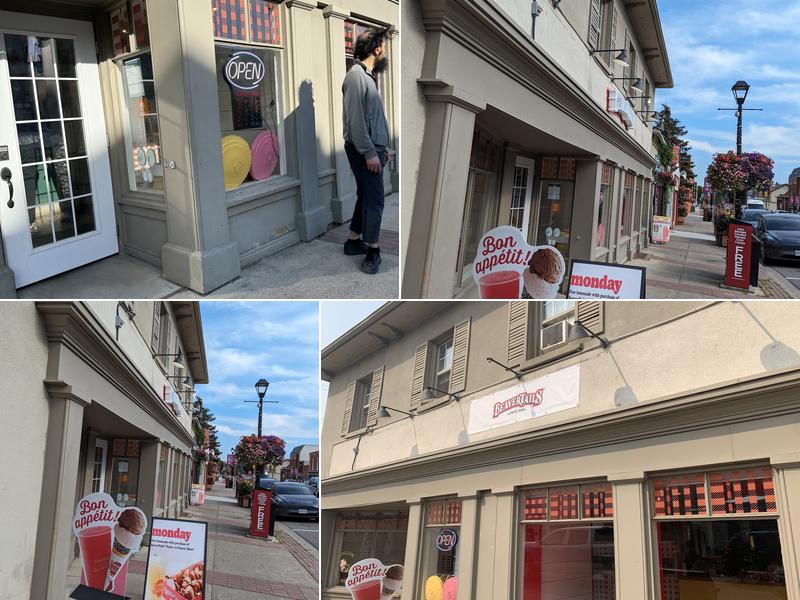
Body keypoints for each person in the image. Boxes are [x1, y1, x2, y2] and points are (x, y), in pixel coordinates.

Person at [342, 26, 392, 274]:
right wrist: (370, 152)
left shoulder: (365, 77)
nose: (385, 53)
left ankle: (353, 241)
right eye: (384, 47)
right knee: (375, 200)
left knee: (365, 195)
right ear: (377, 48)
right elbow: (356, 121)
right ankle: (373, 250)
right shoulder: (356, 77)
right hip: (364, 150)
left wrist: (382, 149)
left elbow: (372, 119)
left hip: (372, 149)